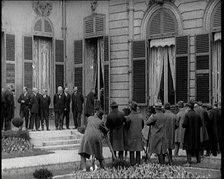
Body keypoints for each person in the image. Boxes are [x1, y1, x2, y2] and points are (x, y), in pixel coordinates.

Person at [182, 100, 202, 167]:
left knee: (188, 148)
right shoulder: (197, 115)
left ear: (188, 107)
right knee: (197, 147)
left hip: (189, 133)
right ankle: (198, 160)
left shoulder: (187, 114)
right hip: (196, 133)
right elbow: (201, 124)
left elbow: (184, 125)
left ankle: (188, 161)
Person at [125, 101, 144, 166]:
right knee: (138, 149)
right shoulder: (140, 116)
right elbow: (142, 125)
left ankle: (132, 163)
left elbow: (126, 126)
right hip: (138, 134)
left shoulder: (129, 117)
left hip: (131, 134)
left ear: (131, 108)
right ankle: (138, 163)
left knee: (131, 150)